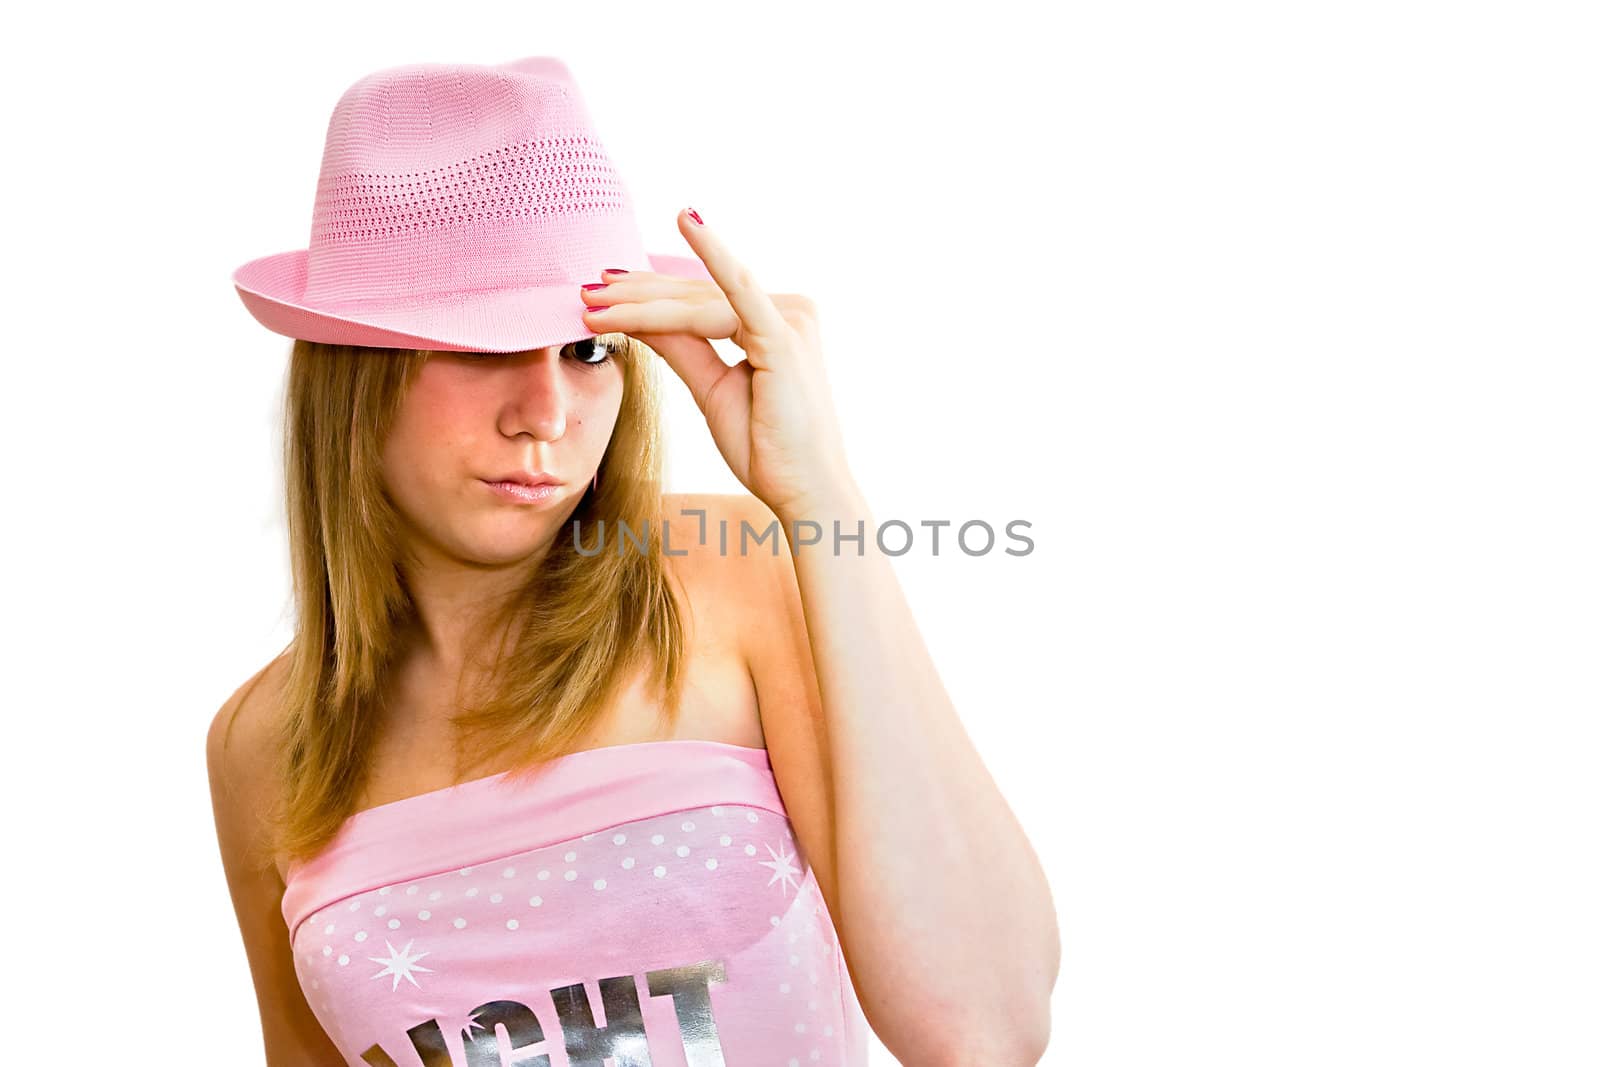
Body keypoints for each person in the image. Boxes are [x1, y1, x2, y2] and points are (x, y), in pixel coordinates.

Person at [207, 56, 1059, 1066]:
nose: (549, 413)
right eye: (484, 346)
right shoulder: (266, 741)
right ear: (354, 370)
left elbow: (983, 1030)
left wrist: (820, 496)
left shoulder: (728, 587)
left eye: (586, 349)